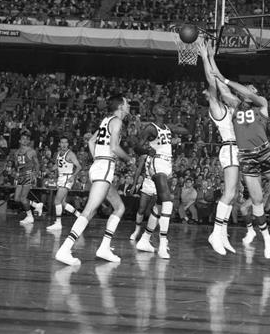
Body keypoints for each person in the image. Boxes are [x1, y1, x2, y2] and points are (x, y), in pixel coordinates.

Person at [212, 57, 270, 259]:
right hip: (246, 157)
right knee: (255, 201)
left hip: (264, 152)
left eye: (252, 89)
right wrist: (210, 60)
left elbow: (232, 87)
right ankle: (266, 240)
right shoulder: (236, 106)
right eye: (247, 89)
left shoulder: (262, 105)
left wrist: (226, 80)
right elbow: (221, 87)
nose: (249, 90)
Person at [55, 95, 134, 266]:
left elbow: (91, 141)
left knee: (119, 207)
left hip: (100, 166)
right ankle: (64, 249)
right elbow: (114, 147)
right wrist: (129, 159)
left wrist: (98, 158)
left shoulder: (106, 120)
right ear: (120, 106)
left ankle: (104, 247)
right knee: (89, 211)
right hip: (104, 167)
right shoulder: (117, 122)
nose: (129, 106)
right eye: (127, 103)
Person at [198, 41, 238, 255]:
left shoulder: (229, 106)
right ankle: (215, 233)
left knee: (233, 194)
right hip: (230, 148)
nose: (209, 90)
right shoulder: (217, 109)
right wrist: (205, 58)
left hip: (237, 151)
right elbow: (212, 79)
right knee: (229, 192)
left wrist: (212, 58)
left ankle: (222, 234)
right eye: (208, 92)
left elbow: (218, 78)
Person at [134, 104, 187, 259]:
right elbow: (137, 146)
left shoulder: (166, 126)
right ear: (154, 111)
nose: (162, 108)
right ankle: (163, 242)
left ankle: (144, 239)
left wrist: (178, 128)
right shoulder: (150, 128)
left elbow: (186, 131)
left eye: (164, 107)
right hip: (157, 162)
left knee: (159, 204)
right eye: (159, 107)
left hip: (167, 163)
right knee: (168, 201)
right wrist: (146, 151)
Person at [46, 137, 82, 231]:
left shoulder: (70, 154)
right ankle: (79, 216)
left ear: (68, 144)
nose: (64, 144)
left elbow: (79, 167)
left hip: (67, 177)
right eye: (62, 142)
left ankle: (58, 223)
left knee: (56, 201)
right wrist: (50, 170)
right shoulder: (58, 153)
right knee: (62, 203)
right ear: (59, 144)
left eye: (66, 142)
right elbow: (57, 165)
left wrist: (73, 176)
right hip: (61, 178)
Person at [14, 131, 42, 225]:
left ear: (29, 141)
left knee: (23, 198)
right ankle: (36, 205)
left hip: (28, 174)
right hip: (21, 175)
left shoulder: (31, 151)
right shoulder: (16, 152)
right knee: (16, 199)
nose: (25, 140)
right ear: (19, 140)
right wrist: (17, 170)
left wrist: (35, 174)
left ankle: (30, 216)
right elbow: (17, 165)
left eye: (27, 139)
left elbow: (37, 164)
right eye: (23, 139)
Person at [130, 154, 157, 241]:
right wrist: (134, 185)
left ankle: (149, 233)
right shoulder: (144, 157)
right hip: (147, 183)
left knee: (153, 211)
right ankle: (136, 231)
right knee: (141, 209)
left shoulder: (161, 156)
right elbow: (138, 170)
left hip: (157, 183)